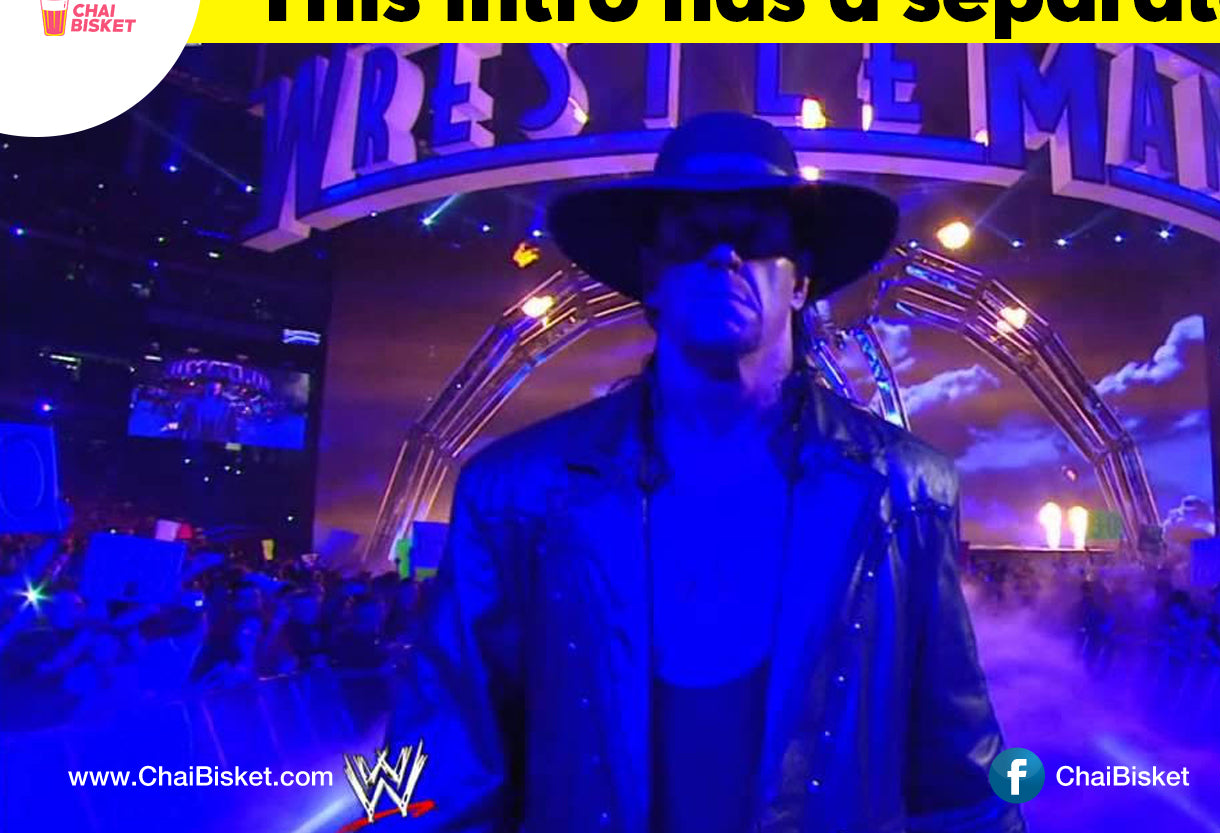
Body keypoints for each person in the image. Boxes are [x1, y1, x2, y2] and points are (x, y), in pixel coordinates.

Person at [390, 113, 1023, 833]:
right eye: (691, 235)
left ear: (801, 281)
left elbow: (962, 779)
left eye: (757, 234)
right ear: (650, 278)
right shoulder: (511, 493)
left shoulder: (909, 493)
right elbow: (426, 773)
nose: (724, 255)